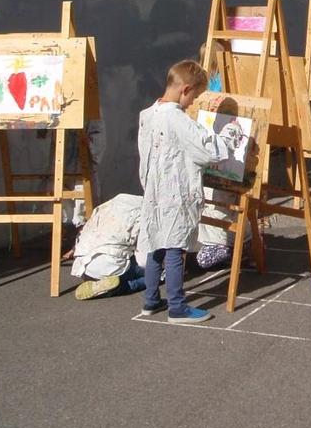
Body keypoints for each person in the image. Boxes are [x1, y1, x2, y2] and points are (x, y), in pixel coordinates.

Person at [137, 59, 239, 324]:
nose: (193, 102)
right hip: (176, 191)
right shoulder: (178, 120)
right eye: (194, 96)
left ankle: (150, 300)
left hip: (154, 191)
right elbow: (209, 150)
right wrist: (231, 133)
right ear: (185, 89)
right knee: (175, 247)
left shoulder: (147, 114)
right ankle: (177, 307)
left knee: (155, 244)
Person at [72, 193, 146, 300]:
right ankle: (119, 287)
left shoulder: (107, 206)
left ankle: (100, 283)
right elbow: (144, 252)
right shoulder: (143, 215)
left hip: (83, 267)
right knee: (156, 274)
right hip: (111, 266)